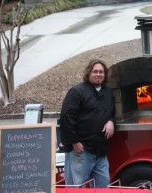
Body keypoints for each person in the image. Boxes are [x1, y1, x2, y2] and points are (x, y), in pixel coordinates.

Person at [60, 59, 116, 188]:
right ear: (88, 73)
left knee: (102, 185)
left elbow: (112, 113)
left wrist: (111, 121)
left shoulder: (108, 93)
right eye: (95, 71)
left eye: (101, 72)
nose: (98, 74)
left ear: (105, 74)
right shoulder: (76, 92)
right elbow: (67, 118)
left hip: (100, 150)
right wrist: (74, 142)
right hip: (81, 150)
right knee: (77, 187)